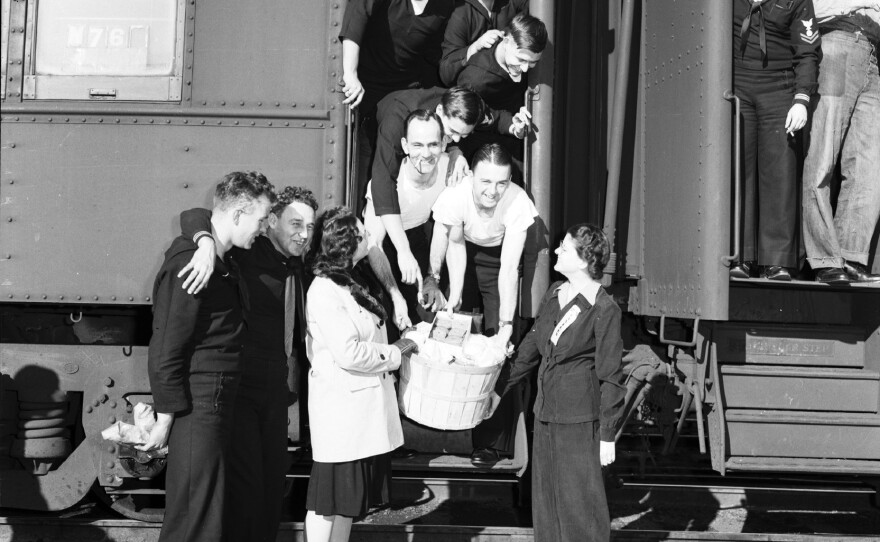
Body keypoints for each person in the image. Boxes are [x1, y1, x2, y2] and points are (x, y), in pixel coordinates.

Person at [177, 187, 319, 542]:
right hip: (241, 390)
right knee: (247, 492)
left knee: (272, 490)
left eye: (310, 226)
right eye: (296, 224)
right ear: (271, 221)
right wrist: (205, 242)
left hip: (275, 392)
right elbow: (194, 214)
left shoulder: (298, 258)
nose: (304, 233)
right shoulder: (249, 251)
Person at [140, 171, 275, 542]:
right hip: (200, 401)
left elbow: (197, 214)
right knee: (193, 514)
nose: (263, 228)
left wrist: (203, 239)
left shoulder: (216, 253)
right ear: (237, 216)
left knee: (210, 507)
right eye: (260, 219)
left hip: (217, 396)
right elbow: (167, 342)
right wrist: (165, 416)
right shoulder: (192, 263)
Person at [486, 223, 626, 542]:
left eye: (564, 247)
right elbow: (532, 346)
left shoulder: (604, 309)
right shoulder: (555, 292)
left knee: (581, 509)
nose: (557, 251)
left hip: (579, 420)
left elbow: (611, 376)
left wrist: (607, 435)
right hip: (547, 415)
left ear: (582, 260)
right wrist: (499, 389)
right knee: (547, 508)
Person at [304, 206, 417, 542]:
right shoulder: (325, 290)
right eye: (363, 232)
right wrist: (398, 351)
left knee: (346, 504)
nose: (370, 234)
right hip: (343, 416)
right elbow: (349, 353)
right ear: (349, 244)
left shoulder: (352, 279)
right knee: (329, 502)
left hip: (357, 416)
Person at [427, 143, 538, 466]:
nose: (493, 191)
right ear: (472, 176)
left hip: (496, 261)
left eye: (501, 182)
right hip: (461, 257)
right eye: (486, 182)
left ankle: (490, 443)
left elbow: (508, 268)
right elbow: (454, 245)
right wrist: (455, 293)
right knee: (448, 335)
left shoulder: (518, 201)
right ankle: (436, 430)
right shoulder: (455, 196)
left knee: (497, 349)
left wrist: (505, 328)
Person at [731, 0, 821, 281]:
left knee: (780, 173)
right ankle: (740, 256)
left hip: (779, 86)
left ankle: (777, 261)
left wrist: (801, 99)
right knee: (738, 170)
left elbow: (807, 52)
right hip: (736, 85)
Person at [340, 0, 455, 213]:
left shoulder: (445, 6)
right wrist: (350, 72)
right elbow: (356, 19)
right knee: (372, 161)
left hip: (408, 89)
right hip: (369, 87)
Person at [802, 1, 880, 283]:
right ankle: (823, 258)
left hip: (873, 55)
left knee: (868, 167)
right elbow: (808, 9)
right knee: (822, 157)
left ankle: (849, 257)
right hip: (834, 43)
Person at [364, 109, 451, 326]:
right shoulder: (387, 182)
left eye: (433, 144)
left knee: (430, 311)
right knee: (388, 314)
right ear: (404, 146)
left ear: (444, 143)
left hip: (419, 236)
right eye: (417, 145)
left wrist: (432, 278)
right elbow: (373, 243)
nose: (426, 153)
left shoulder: (451, 169)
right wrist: (396, 297)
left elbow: (445, 226)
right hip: (383, 248)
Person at [369, 85, 483, 219]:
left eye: (463, 135)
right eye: (453, 132)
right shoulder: (397, 122)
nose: (457, 139)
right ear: (440, 110)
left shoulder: (459, 104)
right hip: (375, 141)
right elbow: (384, 178)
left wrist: (455, 151)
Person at [456, 12, 548, 145]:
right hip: (487, 147)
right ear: (506, 42)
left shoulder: (516, 47)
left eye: (533, 62)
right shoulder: (474, 79)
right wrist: (512, 125)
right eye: (521, 59)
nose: (525, 69)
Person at [439, 0, 529, 87]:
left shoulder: (511, 2)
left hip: (515, 86)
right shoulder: (461, 13)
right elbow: (446, 75)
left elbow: (537, 11)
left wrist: (510, 33)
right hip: (477, 91)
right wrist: (475, 47)